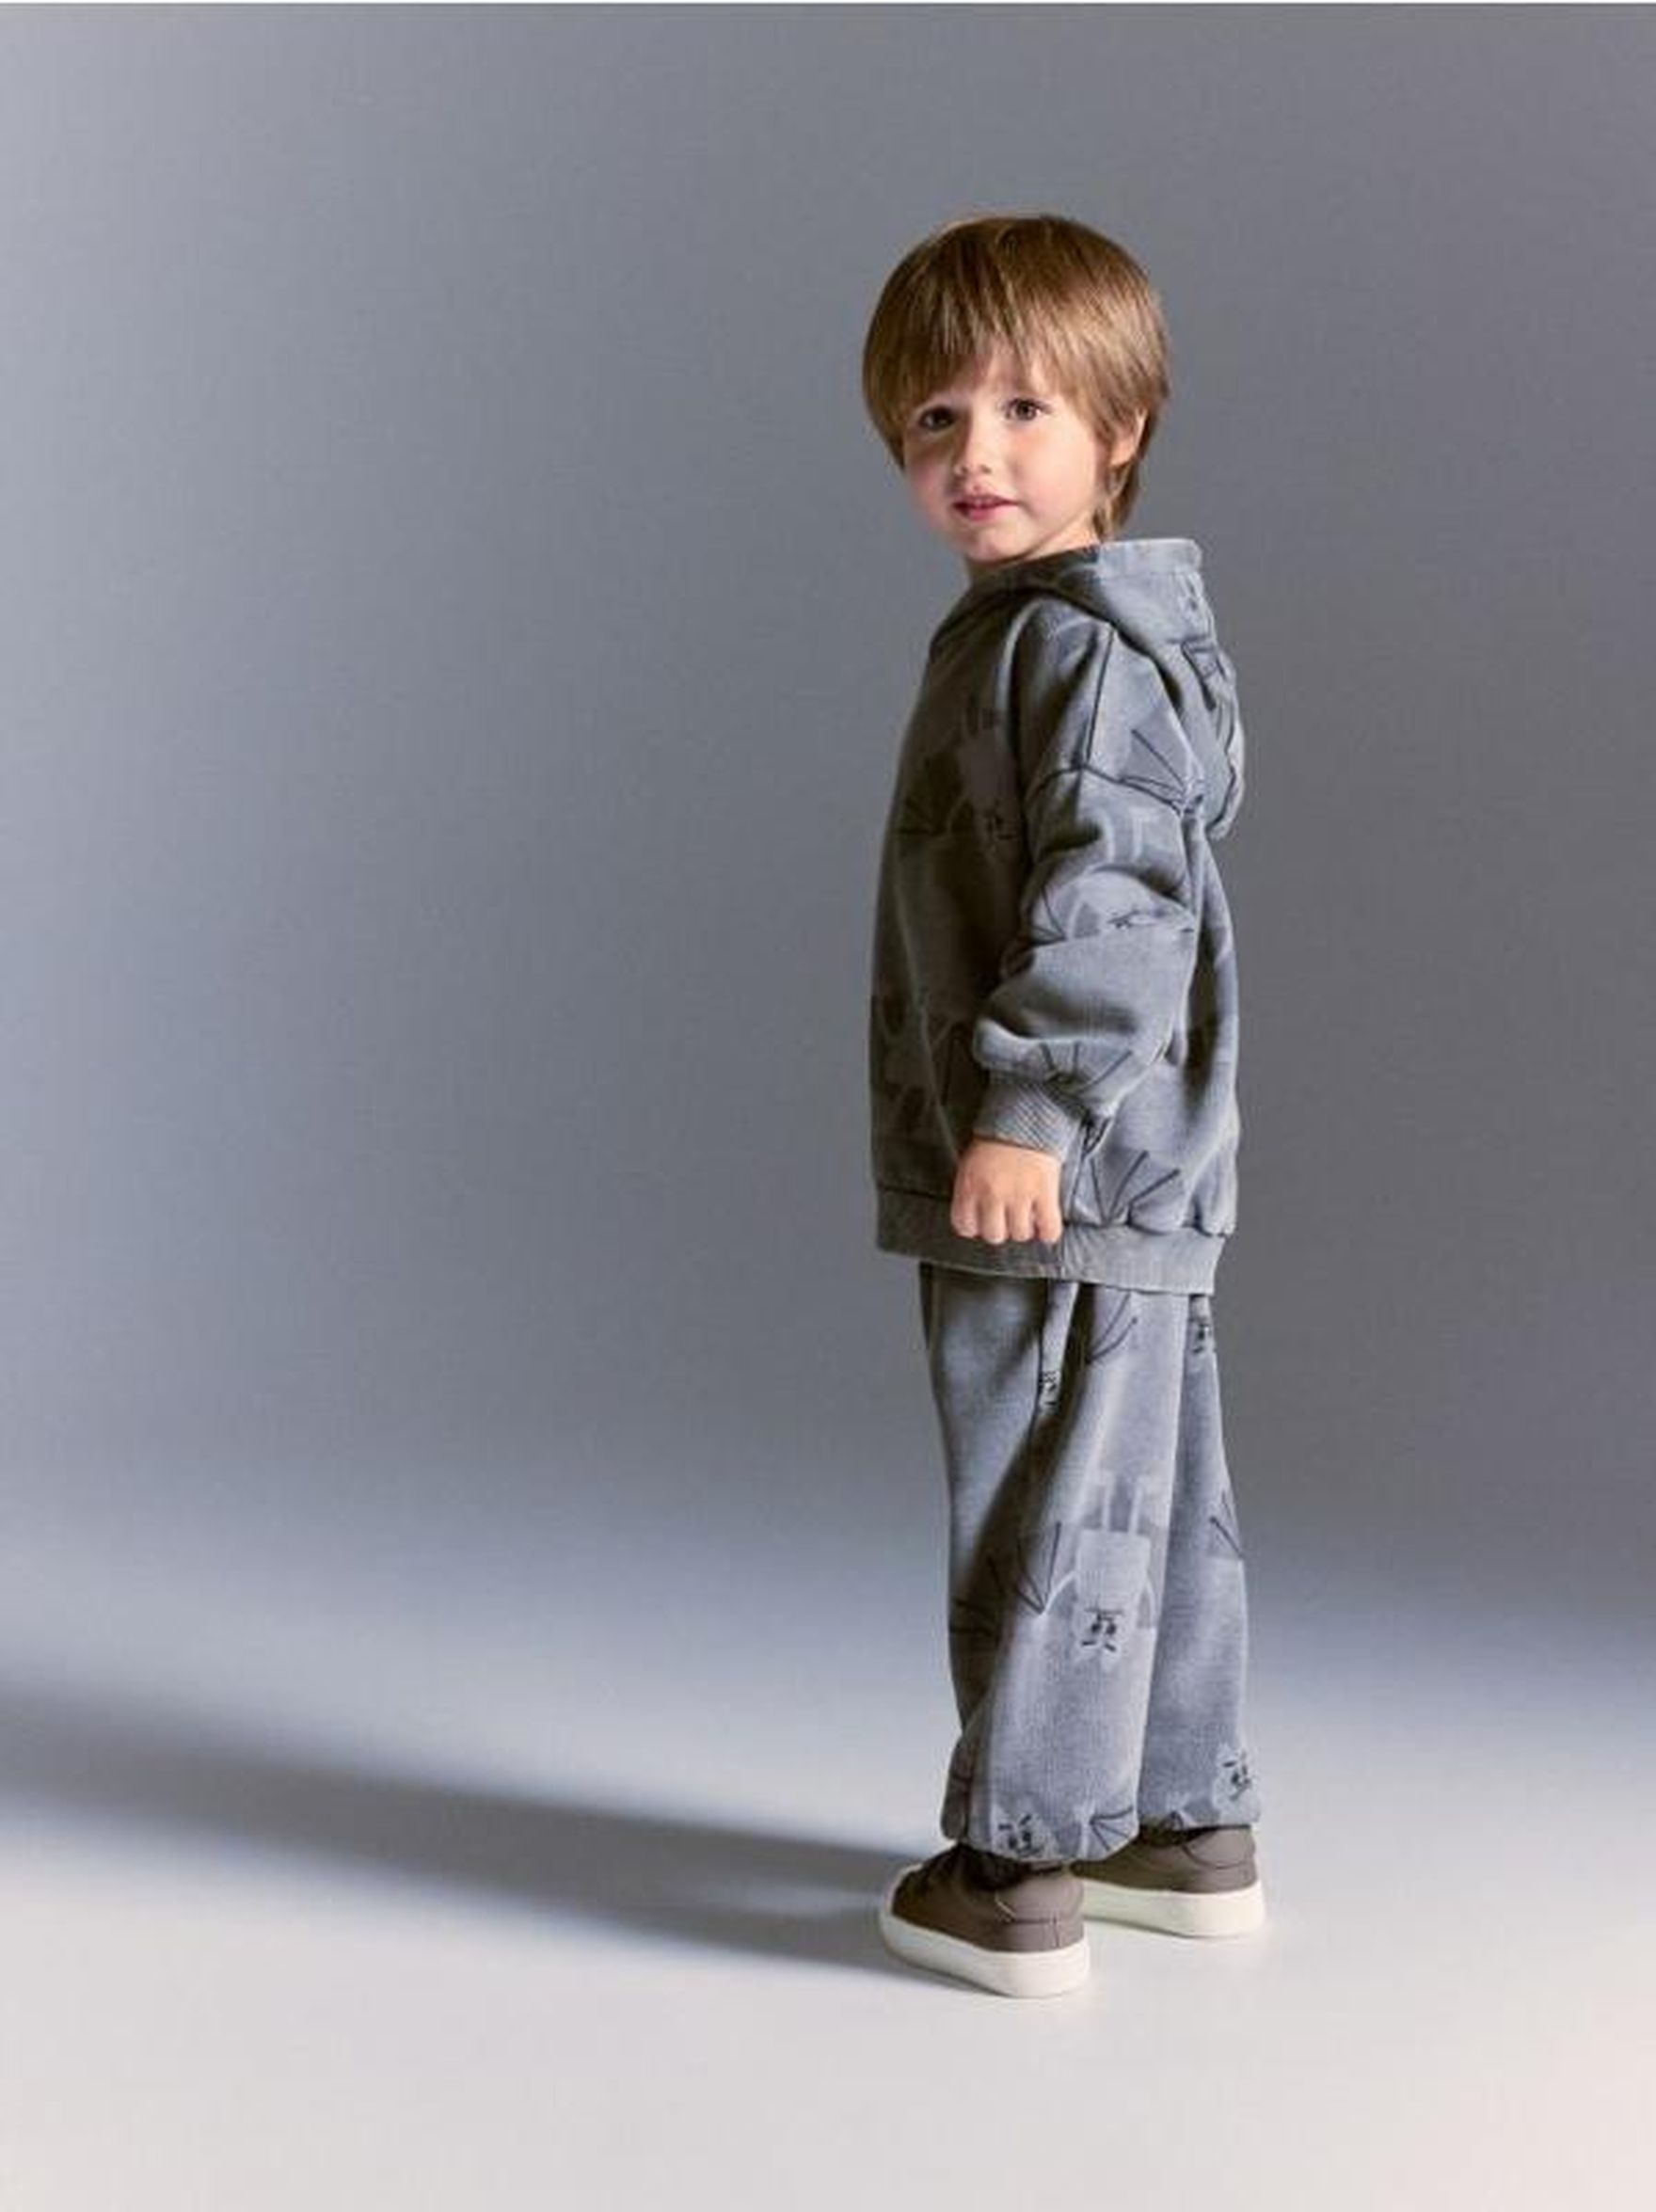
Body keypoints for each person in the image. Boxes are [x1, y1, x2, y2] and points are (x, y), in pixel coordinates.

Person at [860, 213, 1266, 1998]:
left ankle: (1021, 1869)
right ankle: (1179, 1826)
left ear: (1123, 430)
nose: (979, 452)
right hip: (1134, 1174)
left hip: (1062, 1170)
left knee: (1043, 1508)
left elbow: (1119, 899)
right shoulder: (1055, 632)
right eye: (935, 418)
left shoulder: (1077, 652)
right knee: (1142, 1506)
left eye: (1028, 408)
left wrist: (1026, 1109)